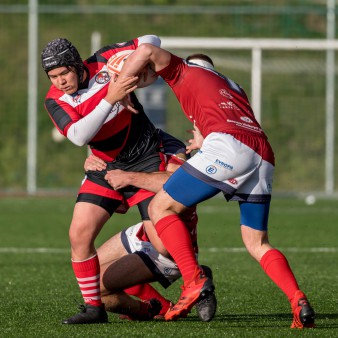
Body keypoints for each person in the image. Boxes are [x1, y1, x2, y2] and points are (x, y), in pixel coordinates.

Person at [114, 47, 316, 328]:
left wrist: (120, 87)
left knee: (161, 206)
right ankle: (298, 300)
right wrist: (205, 142)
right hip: (262, 151)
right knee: (257, 242)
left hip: (230, 145)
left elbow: (146, 49)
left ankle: (193, 279)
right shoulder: (232, 86)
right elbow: (227, 120)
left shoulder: (184, 71)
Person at [41, 35, 168, 324]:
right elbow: (78, 136)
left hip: (144, 158)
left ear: (77, 64)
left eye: (64, 73)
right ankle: (94, 309)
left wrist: (126, 72)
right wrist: (112, 95)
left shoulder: (106, 59)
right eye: (53, 76)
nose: (59, 81)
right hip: (104, 164)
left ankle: (191, 273)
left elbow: (151, 39)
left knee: (163, 245)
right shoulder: (54, 99)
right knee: (79, 233)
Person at [84, 128, 217, 322]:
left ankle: (192, 277)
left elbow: (179, 184)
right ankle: (156, 307)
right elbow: (119, 204)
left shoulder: (172, 147)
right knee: (87, 277)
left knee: (96, 288)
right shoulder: (115, 144)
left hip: (169, 245)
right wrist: (94, 169)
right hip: (142, 232)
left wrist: (129, 177)